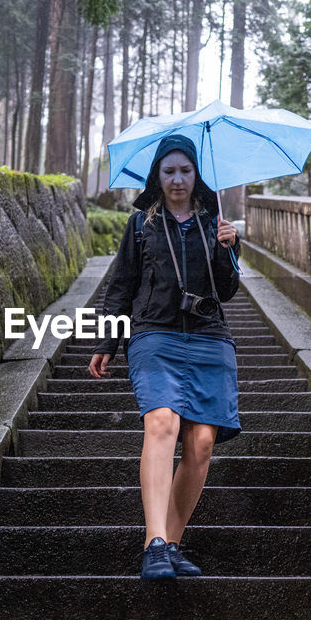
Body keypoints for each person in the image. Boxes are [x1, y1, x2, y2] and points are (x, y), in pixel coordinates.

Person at [88, 134, 242, 580]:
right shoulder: (141, 225)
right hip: (154, 334)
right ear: (157, 176)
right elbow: (119, 286)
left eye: (186, 171)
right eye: (169, 171)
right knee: (163, 422)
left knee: (202, 443)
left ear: (197, 176)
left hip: (210, 337)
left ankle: (171, 547)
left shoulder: (216, 223)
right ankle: (153, 541)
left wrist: (229, 249)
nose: (178, 179)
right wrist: (105, 342)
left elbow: (226, 291)